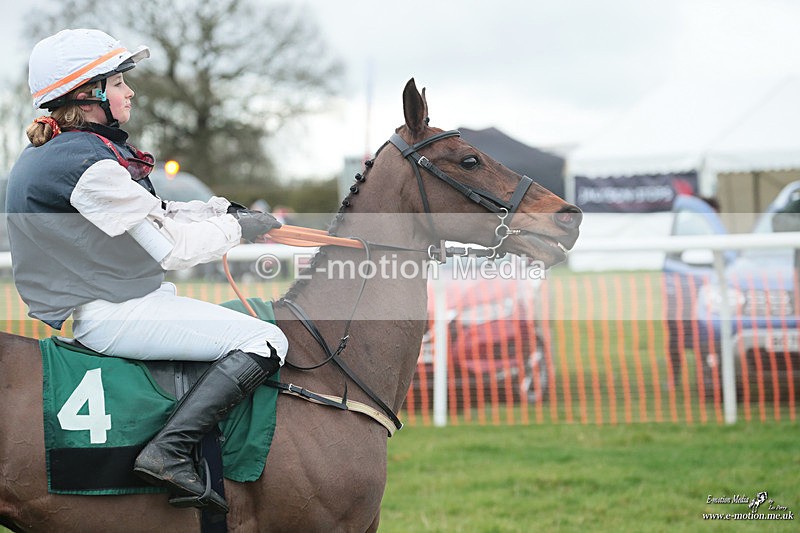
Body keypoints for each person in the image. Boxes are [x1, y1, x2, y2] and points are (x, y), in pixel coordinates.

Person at [5, 28, 288, 514]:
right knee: (266, 340)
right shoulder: (86, 164)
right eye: (118, 82)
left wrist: (223, 212)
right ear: (87, 93)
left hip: (125, 303)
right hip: (117, 313)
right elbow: (171, 248)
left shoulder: (71, 152)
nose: (129, 91)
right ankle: (168, 452)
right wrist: (236, 230)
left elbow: (159, 214)